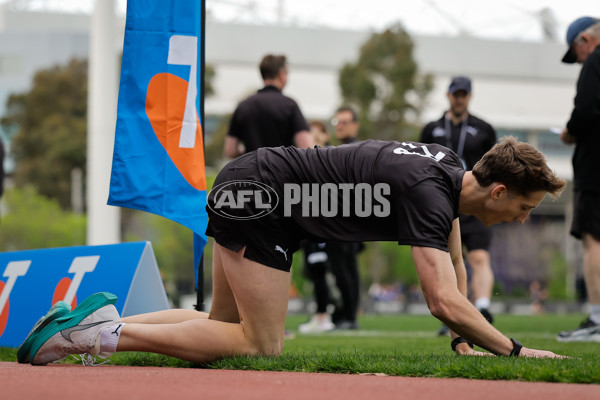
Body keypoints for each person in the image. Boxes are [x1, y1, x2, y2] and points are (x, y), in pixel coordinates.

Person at [20, 136, 568, 365]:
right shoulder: (431, 192)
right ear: (499, 191)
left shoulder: (448, 166)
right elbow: (441, 299)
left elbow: (452, 267)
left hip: (256, 184)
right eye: (525, 207)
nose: (523, 218)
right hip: (264, 200)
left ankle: (104, 319)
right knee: (262, 345)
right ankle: (94, 337)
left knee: (218, 329)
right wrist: (516, 352)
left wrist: (461, 339)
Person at [420, 76, 498, 336]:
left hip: (475, 202)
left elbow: (495, 166)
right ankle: (454, 311)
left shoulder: (483, 128)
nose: (459, 98)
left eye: (464, 94)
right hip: (443, 202)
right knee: (451, 259)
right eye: (456, 94)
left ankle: (483, 307)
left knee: (478, 256)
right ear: (448, 95)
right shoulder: (432, 129)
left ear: (470, 97)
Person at [557, 16, 600, 342]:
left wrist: (569, 132)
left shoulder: (595, 61)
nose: (579, 61)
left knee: (593, 239)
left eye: (577, 53)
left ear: (585, 40)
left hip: (595, 168)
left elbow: (585, 109)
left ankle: (598, 319)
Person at [224, 54, 312, 158]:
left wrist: (248, 153)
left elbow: (230, 150)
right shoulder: (290, 105)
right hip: (281, 171)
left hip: (251, 171)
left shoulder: (243, 106)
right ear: (281, 74)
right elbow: (306, 147)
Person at [298, 121, 336, 333]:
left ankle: (324, 315)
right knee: (313, 272)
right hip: (309, 224)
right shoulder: (306, 160)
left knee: (320, 271)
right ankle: (320, 314)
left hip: (322, 225)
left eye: (316, 133)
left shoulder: (329, 158)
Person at [327, 106, 363, 330]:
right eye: (336, 122)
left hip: (349, 220)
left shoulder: (355, 149)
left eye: (345, 122)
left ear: (355, 125)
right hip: (339, 219)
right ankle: (345, 314)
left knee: (346, 269)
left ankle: (349, 316)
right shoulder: (342, 148)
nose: (339, 126)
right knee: (342, 268)